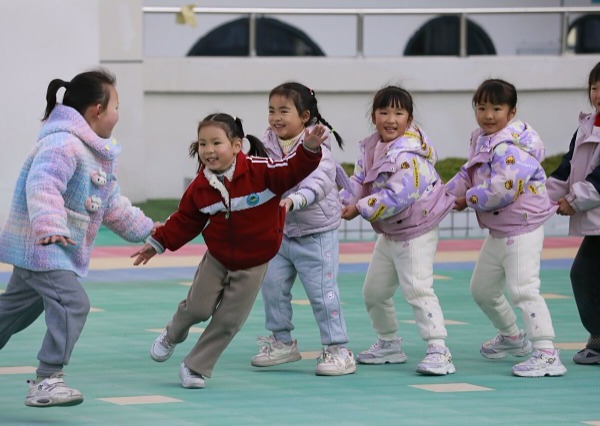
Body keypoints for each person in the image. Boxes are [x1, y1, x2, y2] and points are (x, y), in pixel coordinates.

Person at [0, 69, 157, 409]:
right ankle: (47, 380)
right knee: (72, 304)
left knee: (12, 315)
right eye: (116, 107)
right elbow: (42, 184)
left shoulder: (93, 152)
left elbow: (111, 205)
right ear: (97, 110)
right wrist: (49, 225)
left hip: (50, 250)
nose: (118, 114)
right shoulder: (63, 144)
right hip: (44, 247)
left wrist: (153, 232)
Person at [132, 113, 325, 389]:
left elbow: (291, 169)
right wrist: (157, 243)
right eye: (202, 144)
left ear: (236, 145)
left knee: (228, 320)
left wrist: (309, 149)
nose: (208, 150)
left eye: (216, 143)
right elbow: (185, 220)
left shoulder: (262, 171)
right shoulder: (201, 187)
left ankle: (194, 366)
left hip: (254, 263)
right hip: (218, 258)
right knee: (198, 308)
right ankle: (173, 333)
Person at [446, 78, 566, 377]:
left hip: (523, 228)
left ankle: (547, 353)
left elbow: (502, 189)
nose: (488, 115)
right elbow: (468, 173)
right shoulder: (482, 139)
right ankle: (513, 337)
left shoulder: (512, 146)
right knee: (482, 289)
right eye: (481, 108)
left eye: (496, 109)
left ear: (511, 112)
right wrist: (440, 195)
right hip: (500, 229)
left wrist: (466, 199)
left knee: (524, 290)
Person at [340, 85, 456, 375]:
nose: (390, 119)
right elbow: (359, 181)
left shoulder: (408, 155)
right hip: (391, 231)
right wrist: (343, 202)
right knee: (374, 291)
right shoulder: (371, 147)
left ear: (409, 119)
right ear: (374, 117)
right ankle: (389, 343)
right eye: (383, 112)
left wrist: (359, 208)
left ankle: (439, 349)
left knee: (417, 288)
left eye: (398, 113)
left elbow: (397, 196)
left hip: (417, 229)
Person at [249, 82, 355, 376]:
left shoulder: (318, 145)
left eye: (284, 111)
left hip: (316, 233)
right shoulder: (266, 143)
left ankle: (338, 349)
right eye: (272, 110)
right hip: (280, 233)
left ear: (304, 116)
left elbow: (318, 184)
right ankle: (282, 342)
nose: (276, 117)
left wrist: (292, 201)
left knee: (323, 293)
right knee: (272, 287)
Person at [547, 62, 600, 366]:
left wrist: (573, 201)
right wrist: (537, 199)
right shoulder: (586, 127)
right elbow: (566, 170)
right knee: (585, 275)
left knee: (584, 274)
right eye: (594, 88)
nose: (597, 95)